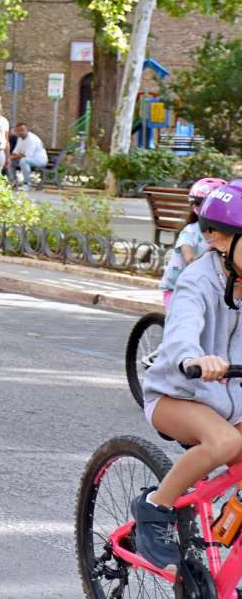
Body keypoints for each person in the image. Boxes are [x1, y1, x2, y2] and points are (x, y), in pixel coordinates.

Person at [133, 181, 242, 570]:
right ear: (216, 237)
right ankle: (154, 506)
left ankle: (222, 528)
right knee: (224, 442)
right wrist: (195, 358)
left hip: (229, 400)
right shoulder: (198, 280)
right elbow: (181, 330)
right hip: (178, 394)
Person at [158, 177, 228, 310]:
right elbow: (189, 258)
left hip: (206, 288)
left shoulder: (224, 234)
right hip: (178, 289)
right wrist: (209, 252)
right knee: (188, 323)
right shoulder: (190, 232)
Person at [7, 121, 48, 190]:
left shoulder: (32, 139)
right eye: (18, 131)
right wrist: (9, 158)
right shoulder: (20, 139)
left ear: (27, 130)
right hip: (29, 160)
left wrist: (13, 156)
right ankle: (13, 183)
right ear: (16, 132)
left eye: (22, 130)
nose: (20, 132)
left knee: (24, 160)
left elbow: (26, 156)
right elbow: (15, 153)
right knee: (9, 161)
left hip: (40, 160)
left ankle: (27, 184)